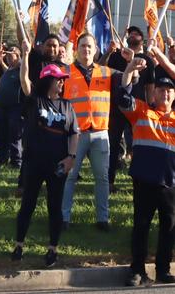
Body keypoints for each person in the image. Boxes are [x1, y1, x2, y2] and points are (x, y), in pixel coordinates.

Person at [11, 41, 79, 267]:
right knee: (28, 204)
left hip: (58, 165)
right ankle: (19, 245)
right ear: (48, 79)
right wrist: (26, 53)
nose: (62, 83)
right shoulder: (35, 100)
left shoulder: (67, 106)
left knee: (55, 206)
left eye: (63, 79)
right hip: (33, 163)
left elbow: (73, 133)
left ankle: (53, 248)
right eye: (59, 79)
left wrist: (71, 157)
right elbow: (24, 80)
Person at [117, 50, 175, 286]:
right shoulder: (141, 111)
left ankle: (163, 269)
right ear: (153, 93)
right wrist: (129, 70)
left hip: (171, 184)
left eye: (170, 90)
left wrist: (161, 57)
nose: (165, 93)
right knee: (141, 226)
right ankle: (137, 270)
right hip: (144, 180)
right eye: (161, 90)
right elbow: (122, 97)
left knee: (169, 229)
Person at [61, 33, 121, 231]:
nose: (86, 50)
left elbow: (131, 77)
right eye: (83, 46)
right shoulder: (65, 72)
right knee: (70, 176)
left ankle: (102, 219)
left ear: (95, 50)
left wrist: (130, 61)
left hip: (100, 133)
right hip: (75, 135)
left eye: (90, 47)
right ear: (76, 50)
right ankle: (63, 218)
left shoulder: (107, 72)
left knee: (102, 178)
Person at [105, 27, 155, 192]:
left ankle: (138, 181)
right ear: (126, 38)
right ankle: (109, 182)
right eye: (130, 34)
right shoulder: (115, 57)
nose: (133, 36)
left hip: (138, 109)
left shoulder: (147, 60)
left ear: (142, 39)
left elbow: (149, 87)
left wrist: (151, 106)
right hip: (117, 107)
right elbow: (107, 76)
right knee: (113, 146)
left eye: (137, 34)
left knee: (138, 147)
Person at [0, 46, 24, 167]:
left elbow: (24, 62)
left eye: (12, 55)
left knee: (14, 135)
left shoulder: (21, 70)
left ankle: (16, 161)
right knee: (2, 134)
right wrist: (0, 61)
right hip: (2, 108)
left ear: (18, 57)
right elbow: (5, 67)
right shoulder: (9, 70)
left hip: (15, 108)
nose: (9, 57)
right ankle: (2, 158)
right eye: (8, 55)